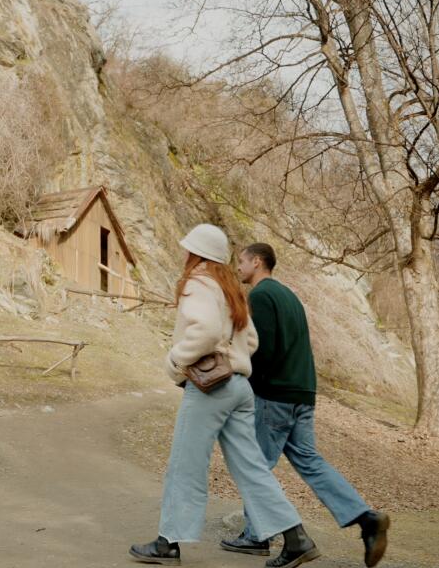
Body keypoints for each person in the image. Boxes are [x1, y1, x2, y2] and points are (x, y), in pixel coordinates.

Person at [130, 225, 320, 567]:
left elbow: (205, 330)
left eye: (188, 248)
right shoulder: (231, 288)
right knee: (251, 468)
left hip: (210, 388)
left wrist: (176, 360)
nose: (184, 253)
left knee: (185, 465)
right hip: (239, 387)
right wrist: (233, 356)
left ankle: (167, 543)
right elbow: (252, 341)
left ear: (197, 253)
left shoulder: (199, 282)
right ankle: (296, 538)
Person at [223, 243, 389, 567]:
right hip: (302, 393)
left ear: (257, 262)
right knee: (311, 462)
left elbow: (262, 351)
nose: (238, 266)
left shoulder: (261, 295)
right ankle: (366, 518)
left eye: (241, 261)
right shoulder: (290, 296)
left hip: (275, 397)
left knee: (255, 466)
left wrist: (244, 385)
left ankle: (260, 536)